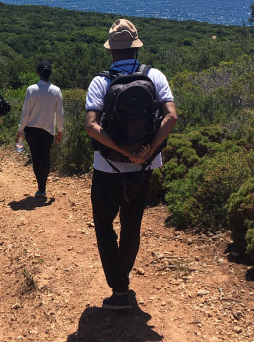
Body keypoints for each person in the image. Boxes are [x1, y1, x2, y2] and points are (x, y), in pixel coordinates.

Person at [84, 19, 178, 310]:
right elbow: (171, 117)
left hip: (107, 167)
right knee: (131, 225)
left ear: (111, 51)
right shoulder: (155, 76)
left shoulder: (101, 81)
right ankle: (122, 280)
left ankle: (119, 288)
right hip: (144, 168)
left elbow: (91, 126)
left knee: (103, 225)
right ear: (136, 49)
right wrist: (146, 151)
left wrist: (121, 149)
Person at [17, 60, 64, 198]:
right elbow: (60, 114)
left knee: (36, 159)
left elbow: (25, 112)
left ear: (38, 73)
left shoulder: (31, 89)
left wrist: (20, 129)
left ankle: (41, 188)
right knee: (46, 157)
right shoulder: (56, 91)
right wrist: (60, 131)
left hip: (31, 130)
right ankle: (43, 187)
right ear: (50, 73)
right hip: (48, 131)